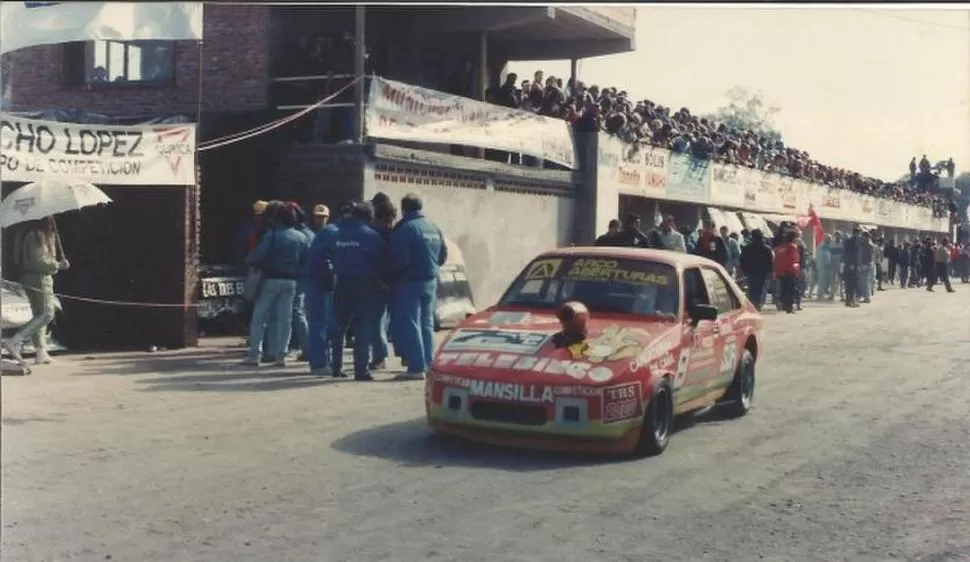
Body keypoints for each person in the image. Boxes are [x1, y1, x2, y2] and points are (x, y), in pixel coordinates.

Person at [241, 202, 309, 366]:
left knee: (260, 317)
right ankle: (281, 355)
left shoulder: (271, 235)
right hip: (292, 282)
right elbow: (306, 261)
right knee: (285, 319)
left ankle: (255, 353)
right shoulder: (301, 237)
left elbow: (258, 255)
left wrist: (248, 260)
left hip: (270, 280)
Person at [389, 193, 447, 381]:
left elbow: (399, 260)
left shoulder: (406, 229)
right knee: (426, 324)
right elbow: (442, 256)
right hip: (430, 281)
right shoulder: (433, 227)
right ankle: (429, 364)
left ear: (404, 209)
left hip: (409, 282)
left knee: (411, 324)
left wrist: (391, 276)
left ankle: (415, 367)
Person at [327, 201, 387, 380]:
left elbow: (329, 256)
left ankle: (336, 367)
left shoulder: (337, 234)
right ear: (369, 216)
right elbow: (382, 261)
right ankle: (361, 370)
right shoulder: (373, 236)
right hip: (365, 286)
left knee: (339, 327)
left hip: (341, 284)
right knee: (363, 327)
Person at [3, 216, 69, 365]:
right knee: (47, 313)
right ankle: (15, 340)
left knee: (39, 314)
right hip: (39, 279)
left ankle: (40, 351)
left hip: (30, 278)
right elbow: (40, 261)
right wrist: (58, 265)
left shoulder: (29, 234)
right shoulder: (37, 235)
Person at [305, 202, 341, 376]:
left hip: (322, 282)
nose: (319, 220)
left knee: (321, 323)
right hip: (326, 281)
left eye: (322, 217)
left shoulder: (326, 234)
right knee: (324, 323)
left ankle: (321, 362)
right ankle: (324, 362)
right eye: (317, 217)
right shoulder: (335, 233)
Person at [369, 192, 398, 371]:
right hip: (396, 281)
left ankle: (379, 356)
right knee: (394, 320)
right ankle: (407, 356)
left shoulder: (375, 234)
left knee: (376, 321)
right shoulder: (398, 232)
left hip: (378, 281)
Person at [739, 228, 773, 310]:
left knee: (751, 288)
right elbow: (770, 262)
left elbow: (742, 260)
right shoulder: (766, 249)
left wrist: (743, 270)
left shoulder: (747, 248)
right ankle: (757, 304)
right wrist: (770, 272)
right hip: (762, 272)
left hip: (750, 271)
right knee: (760, 288)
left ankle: (752, 303)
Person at [773, 230, 800, 314]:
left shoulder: (780, 247)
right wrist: (796, 269)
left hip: (781, 271)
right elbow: (794, 260)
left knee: (784, 289)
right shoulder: (792, 247)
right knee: (791, 290)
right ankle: (789, 307)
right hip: (790, 271)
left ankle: (783, 304)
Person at [842, 227, 862, 308]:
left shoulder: (850, 240)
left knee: (849, 284)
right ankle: (851, 301)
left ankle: (849, 300)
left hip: (850, 264)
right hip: (852, 265)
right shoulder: (853, 241)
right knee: (852, 283)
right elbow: (851, 253)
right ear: (857, 233)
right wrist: (852, 264)